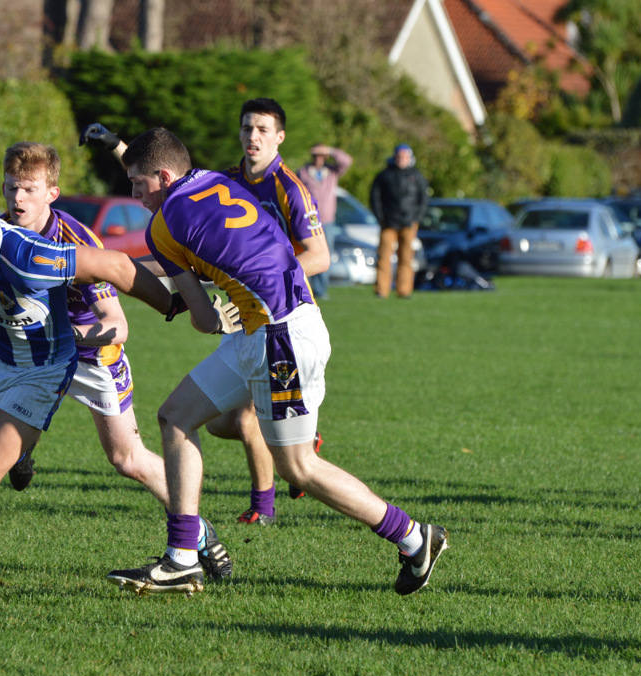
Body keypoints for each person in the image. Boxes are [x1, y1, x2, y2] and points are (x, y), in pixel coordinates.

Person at [102, 128, 448, 597]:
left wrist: (185, 305)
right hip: (272, 326)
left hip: (277, 338)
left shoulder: (163, 225)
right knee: (176, 416)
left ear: (162, 177)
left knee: (298, 467)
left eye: (139, 185)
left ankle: (413, 536)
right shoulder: (212, 181)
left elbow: (204, 321)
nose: (135, 195)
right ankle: (182, 557)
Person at [0, 142, 232, 584]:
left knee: (127, 458)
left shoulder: (65, 245)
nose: (18, 199)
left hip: (92, 353)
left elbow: (117, 324)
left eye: (29, 190)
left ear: (51, 193)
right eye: (11, 188)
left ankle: (197, 529)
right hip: (16, 352)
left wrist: (172, 307)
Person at [81, 98, 329, 526]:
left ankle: (266, 503)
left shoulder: (289, 188)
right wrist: (119, 147)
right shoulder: (223, 178)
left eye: (263, 130)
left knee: (268, 438)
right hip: (246, 313)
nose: (253, 136)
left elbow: (319, 256)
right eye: (246, 127)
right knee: (210, 422)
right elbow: (161, 180)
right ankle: (287, 445)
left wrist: (255, 283)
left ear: (280, 137)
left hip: (278, 315)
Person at [369, 144, 429, 299]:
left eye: (404, 156)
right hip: (388, 222)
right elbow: (375, 197)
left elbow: (423, 199)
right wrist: (381, 217)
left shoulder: (416, 176)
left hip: (409, 223)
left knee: (406, 257)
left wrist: (417, 218)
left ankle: (404, 290)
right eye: (399, 156)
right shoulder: (384, 175)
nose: (401, 159)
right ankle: (381, 290)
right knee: (383, 256)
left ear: (410, 158)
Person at [298, 144, 352, 300]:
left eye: (322, 156)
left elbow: (347, 161)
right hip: (308, 220)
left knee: (325, 254)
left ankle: (321, 290)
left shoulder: (332, 172)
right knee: (306, 253)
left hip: (327, 220)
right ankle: (305, 289)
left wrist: (330, 150)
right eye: (316, 155)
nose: (318, 159)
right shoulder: (303, 172)